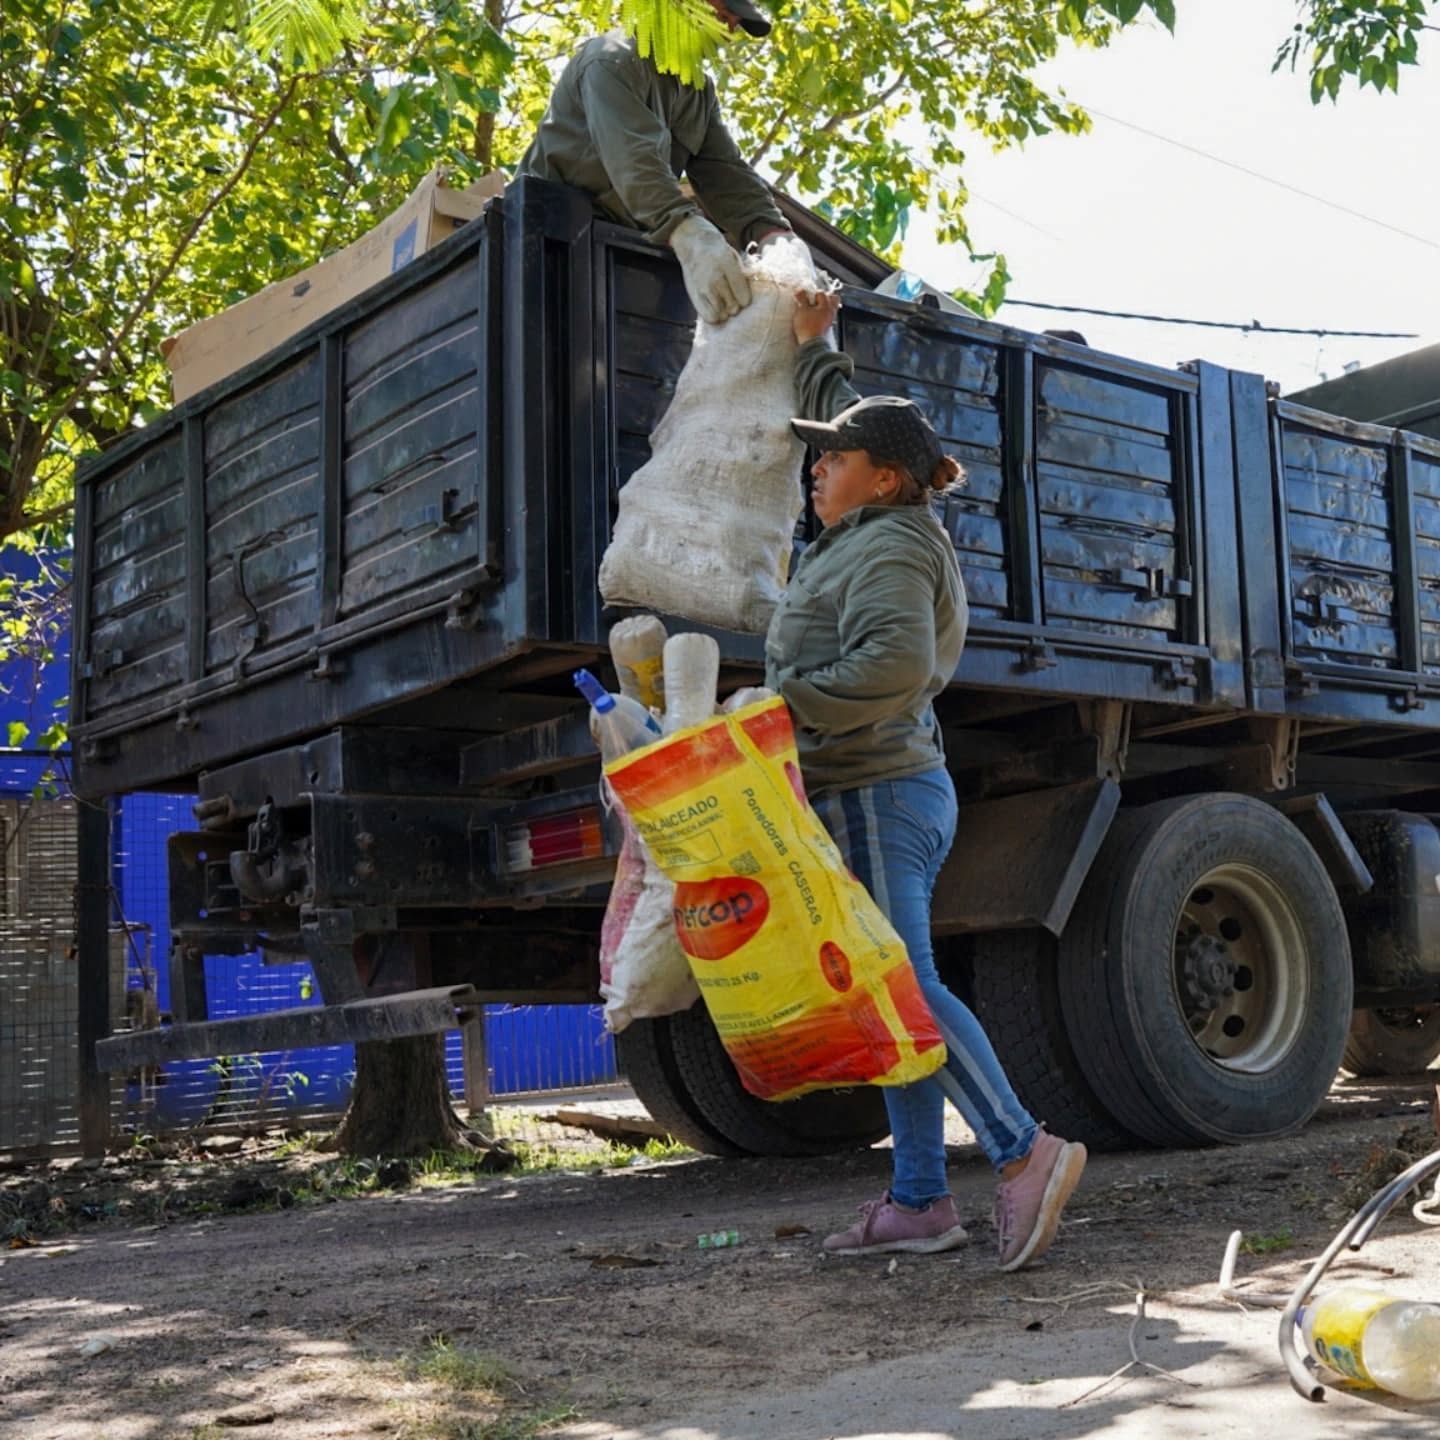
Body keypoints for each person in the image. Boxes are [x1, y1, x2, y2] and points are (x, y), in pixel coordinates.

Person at [766, 288, 1087, 1270]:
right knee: (884, 993)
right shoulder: (868, 528)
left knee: (898, 988)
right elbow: (857, 428)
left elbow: (894, 667)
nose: (817, 467)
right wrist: (819, 350)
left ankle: (1023, 1149)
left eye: (834, 458)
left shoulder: (894, 543)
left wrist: (784, 712)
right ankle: (917, 1201)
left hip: (875, 789)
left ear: (888, 480)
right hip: (877, 789)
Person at [517, 0, 793, 326]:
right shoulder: (610, 60)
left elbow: (728, 174)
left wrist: (776, 239)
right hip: (544, 245)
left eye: (734, 25)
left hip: (621, 250)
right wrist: (691, 234)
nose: (729, 33)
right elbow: (636, 163)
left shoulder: (698, 91)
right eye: (722, 17)